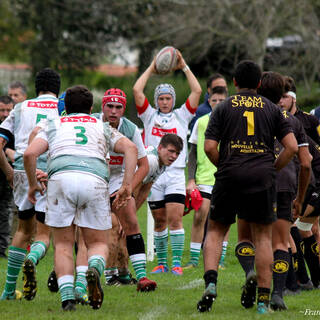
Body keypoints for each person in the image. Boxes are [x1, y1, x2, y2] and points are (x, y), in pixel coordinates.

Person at [23, 85, 138, 311]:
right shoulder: (101, 126)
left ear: (65, 106)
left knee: (63, 244)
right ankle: (94, 268)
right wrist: (126, 185)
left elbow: (29, 153)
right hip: (94, 179)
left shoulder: (53, 123)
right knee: (96, 243)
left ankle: (67, 299)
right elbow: (131, 148)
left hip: (61, 179)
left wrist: (32, 184)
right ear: (92, 108)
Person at [197, 60, 298, 315]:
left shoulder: (223, 107)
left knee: (216, 230)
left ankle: (210, 284)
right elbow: (293, 148)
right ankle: (263, 301)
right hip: (261, 177)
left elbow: (209, 147)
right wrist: (272, 168)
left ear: (234, 82)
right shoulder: (272, 109)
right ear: (259, 84)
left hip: (229, 174)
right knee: (263, 237)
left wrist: (225, 165)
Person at [235, 71, 311, 311]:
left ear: (258, 88)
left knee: (247, 238)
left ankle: (250, 273)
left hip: (253, 182)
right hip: (285, 185)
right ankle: (277, 294)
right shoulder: (293, 121)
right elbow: (306, 162)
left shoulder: (249, 115)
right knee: (280, 242)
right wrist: (301, 196)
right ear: (282, 95)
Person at [133, 50, 202, 275]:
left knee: (175, 219)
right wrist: (153, 67)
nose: (164, 102)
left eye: (168, 98)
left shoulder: (182, 115)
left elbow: (197, 90)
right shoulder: (148, 115)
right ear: (156, 100)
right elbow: (136, 89)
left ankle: (176, 264)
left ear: (173, 99)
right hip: (154, 175)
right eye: (161, 98)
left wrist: (183, 66)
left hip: (174, 174)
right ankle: (162, 263)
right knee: (159, 220)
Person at [0, 68, 61, 301]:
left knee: (23, 230)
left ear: (36, 87)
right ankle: (32, 259)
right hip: (50, 172)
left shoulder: (21, 107)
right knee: (45, 233)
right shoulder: (62, 107)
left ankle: (7, 292)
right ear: (58, 87)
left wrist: (8, 171)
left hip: (23, 171)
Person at [93, 88, 157, 291]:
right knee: (87, 228)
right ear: (102, 107)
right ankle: (81, 274)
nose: (113, 111)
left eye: (118, 107)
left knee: (131, 222)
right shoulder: (92, 123)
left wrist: (128, 188)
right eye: (109, 106)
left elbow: (144, 165)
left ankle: (142, 277)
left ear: (124, 109)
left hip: (118, 180)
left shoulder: (130, 129)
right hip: (93, 176)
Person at [184, 86, 227, 270]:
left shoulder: (232, 121)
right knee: (200, 216)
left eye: (221, 100)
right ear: (209, 101)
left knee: (224, 219)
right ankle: (194, 259)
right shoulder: (201, 122)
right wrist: (191, 178)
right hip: (203, 178)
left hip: (225, 178)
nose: (217, 103)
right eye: (214, 100)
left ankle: (222, 260)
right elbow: (193, 152)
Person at [280, 76, 320, 145]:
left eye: (284, 97)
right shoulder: (274, 121)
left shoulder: (311, 120)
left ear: (294, 98)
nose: (280, 101)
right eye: (278, 96)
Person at [0, 96, 14, 258]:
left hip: (8, 177)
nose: (5, 114)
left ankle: (2, 249)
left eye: (8, 110)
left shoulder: (14, 128)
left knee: (6, 211)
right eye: (2, 110)